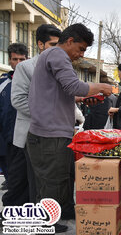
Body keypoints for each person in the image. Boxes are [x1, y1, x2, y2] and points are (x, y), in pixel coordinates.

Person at [26, 23, 113, 232]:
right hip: (49, 135)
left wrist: (84, 97)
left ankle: (62, 212)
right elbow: (74, 86)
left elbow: (64, 93)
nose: (81, 55)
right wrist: (101, 86)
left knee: (62, 178)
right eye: (81, 49)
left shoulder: (52, 56)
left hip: (54, 133)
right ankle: (46, 222)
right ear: (70, 41)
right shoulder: (57, 55)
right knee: (52, 182)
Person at [11, 24, 61, 205]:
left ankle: (49, 217)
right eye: (53, 45)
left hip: (54, 134)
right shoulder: (25, 67)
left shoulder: (58, 67)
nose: (57, 50)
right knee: (37, 181)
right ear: (40, 44)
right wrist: (48, 116)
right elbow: (18, 100)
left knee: (50, 180)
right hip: (32, 134)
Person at [0, 43, 28, 207]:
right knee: (13, 179)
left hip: (29, 138)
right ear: (9, 60)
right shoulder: (2, 83)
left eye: (21, 59)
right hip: (7, 140)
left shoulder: (34, 82)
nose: (18, 63)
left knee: (24, 180)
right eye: (15, 59)